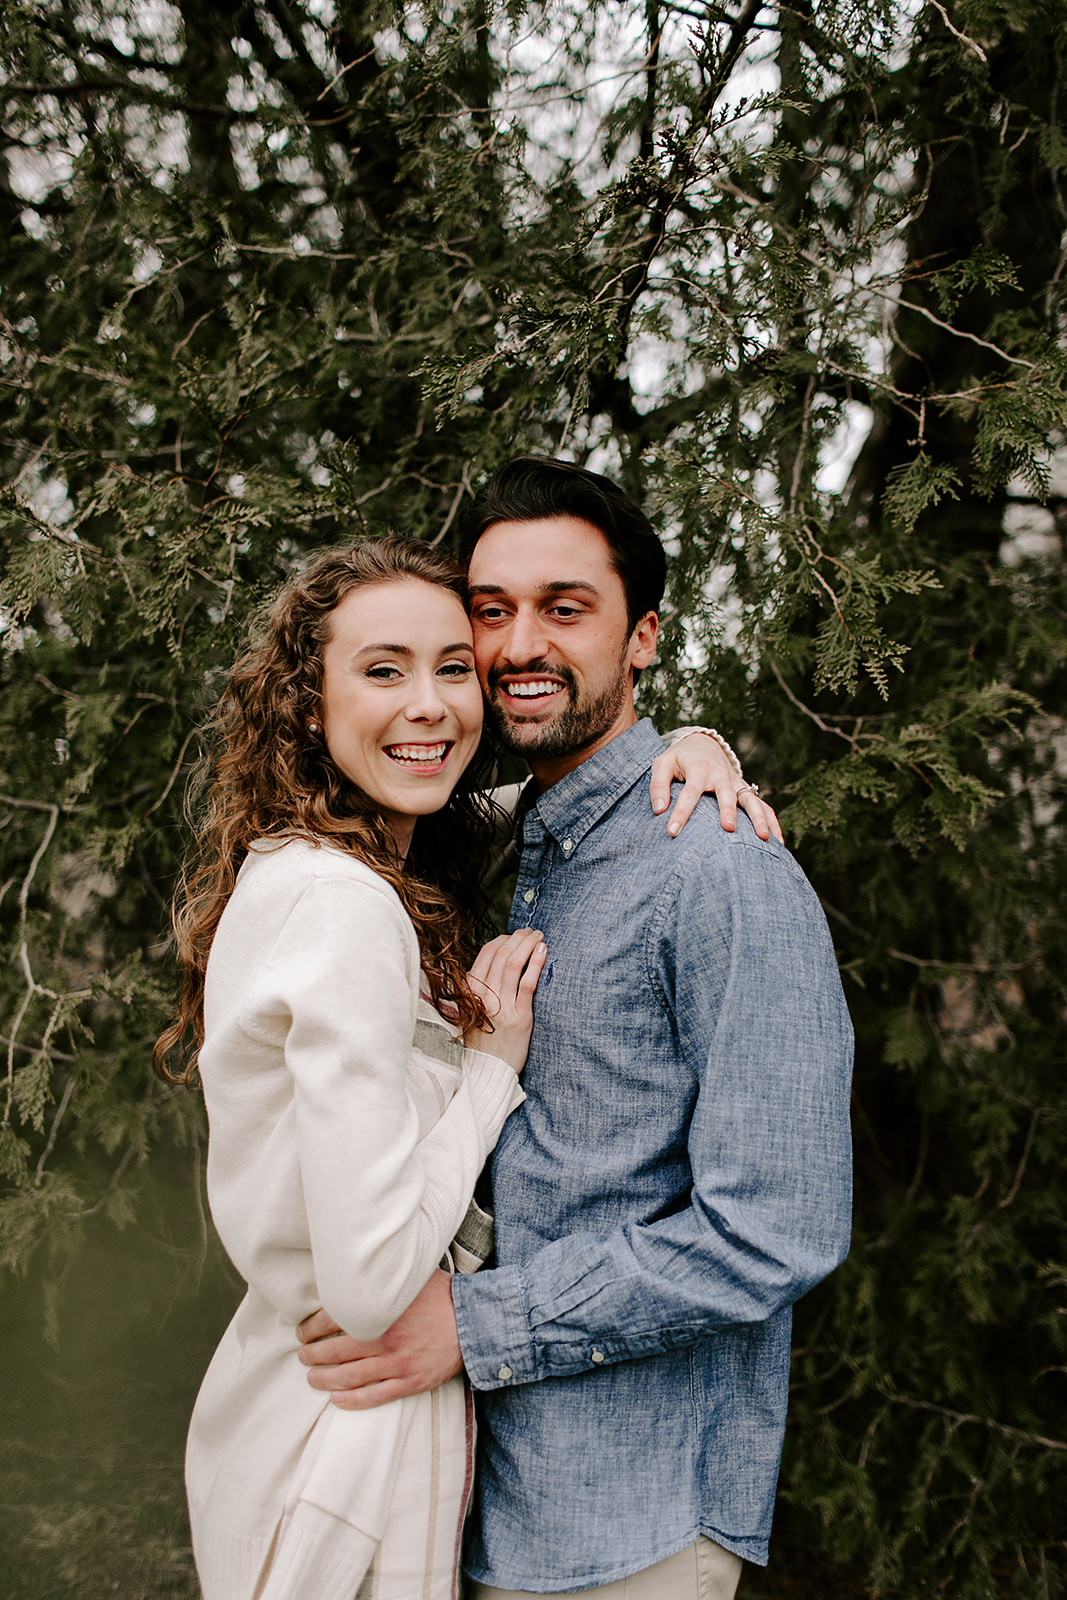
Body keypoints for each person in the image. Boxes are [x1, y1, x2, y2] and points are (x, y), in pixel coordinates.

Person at [153, 532, 768, 1600]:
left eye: (452, 667)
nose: (430, 704)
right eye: (382, 670)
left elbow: (569, 808)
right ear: (307, 700)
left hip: (318, 1399)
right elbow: (370, 1280)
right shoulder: (346, 908)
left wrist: (696, 741)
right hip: (340, 1431)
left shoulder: (338, 861)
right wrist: (488, 1071)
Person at [297, 459, 855, 1600]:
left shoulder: (720, 873)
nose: (517, 645)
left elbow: (777, 1229)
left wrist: (478, 1322)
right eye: (489, 612)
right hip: (468, 1489)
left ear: (640, 636)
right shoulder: (493, 845)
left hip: (631, 1516)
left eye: (565, 608)